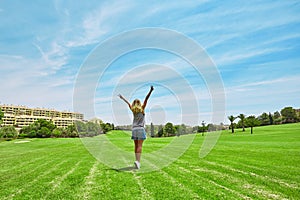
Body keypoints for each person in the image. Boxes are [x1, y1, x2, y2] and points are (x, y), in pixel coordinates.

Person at [118, 86, 154, 169]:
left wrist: (122, 98)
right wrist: (151, 91)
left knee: (136, 146)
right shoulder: (142, 109)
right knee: (140, 146)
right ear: (140, 103)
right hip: (140, 129)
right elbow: (146, 99)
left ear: (134, 104)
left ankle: (136, 160)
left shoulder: (133, 110)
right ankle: (138, 161)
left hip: (134, 129)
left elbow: (128, 103)